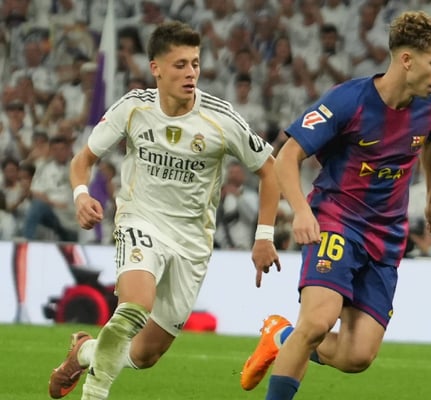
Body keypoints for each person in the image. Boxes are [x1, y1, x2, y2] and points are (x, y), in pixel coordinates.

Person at [48, 21, 281, 400]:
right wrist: (80, 195)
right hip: (140, 221)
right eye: (180, 65)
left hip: (192, 243)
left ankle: (85, 352)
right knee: (133, 307)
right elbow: (82, 160)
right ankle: (94, 393)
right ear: (155, 68)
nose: (191, 73)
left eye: (195, 64)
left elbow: (269, 170)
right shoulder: (133, 108)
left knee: (145, 355)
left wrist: (264, 236)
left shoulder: (220, 118)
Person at [240, 10, 431, 399]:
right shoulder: (348, 101)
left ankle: (281, 335)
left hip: (387, 236)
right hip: (337, 220)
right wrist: (302, 211)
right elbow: (286, 156)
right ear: (407, 60)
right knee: (317, 323)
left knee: (357, 357)